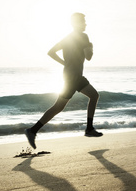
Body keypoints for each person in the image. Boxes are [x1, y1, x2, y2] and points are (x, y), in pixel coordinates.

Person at [25, 12, 102, 149]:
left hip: (70, 75)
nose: (85, 24)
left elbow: (51, 52)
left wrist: (65, 63)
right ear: (77, 23)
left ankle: (33, 130)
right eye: (83, 21)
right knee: (89, 97)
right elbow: (89, 57)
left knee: (60, 106)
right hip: (74, 77)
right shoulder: (83, 37)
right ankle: (89, 129)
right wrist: (91, 47)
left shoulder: (67, 38)